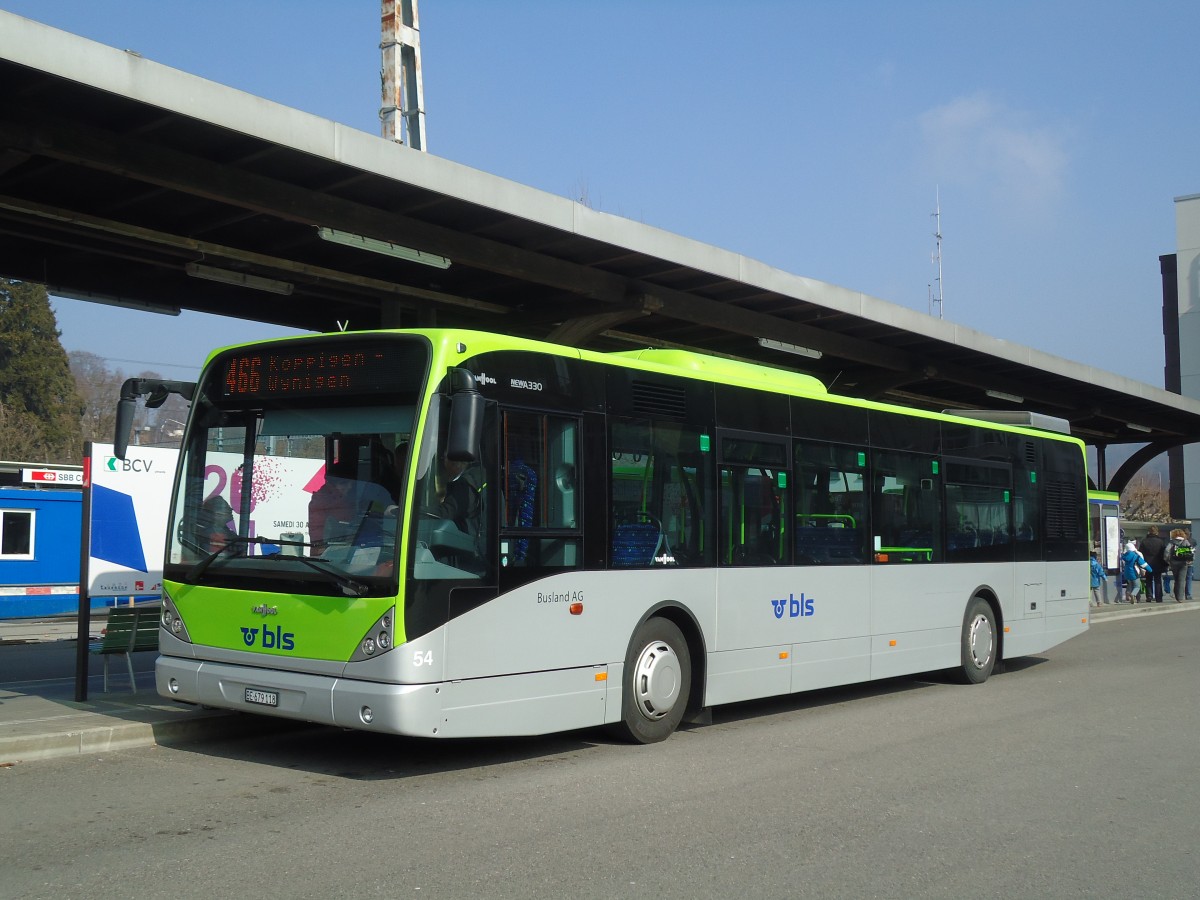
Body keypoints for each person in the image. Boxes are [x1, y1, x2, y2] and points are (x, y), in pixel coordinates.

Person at [1165, 527, 1195, 603]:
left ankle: (1176, 594)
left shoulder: (1172, 542)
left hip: (1174, 563)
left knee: (1176, 579)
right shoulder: (1185, 541)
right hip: (1184, 563)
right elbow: (1191, 551)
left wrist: (1167, 560)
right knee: (1181, 580)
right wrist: (1191, 560)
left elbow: (1166, 551)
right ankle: (1180, 598)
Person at [1138, 525, 1166, 603]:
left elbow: (1140, 553)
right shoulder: (1160, 542)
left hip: (1147, 564)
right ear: (1157, 532)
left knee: (1148, 580)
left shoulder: (1144, 541)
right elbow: (1163, 554)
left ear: (1149, 531)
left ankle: (1149, 596)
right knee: (1158, 581)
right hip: (1158, 563)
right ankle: (1158, 597)